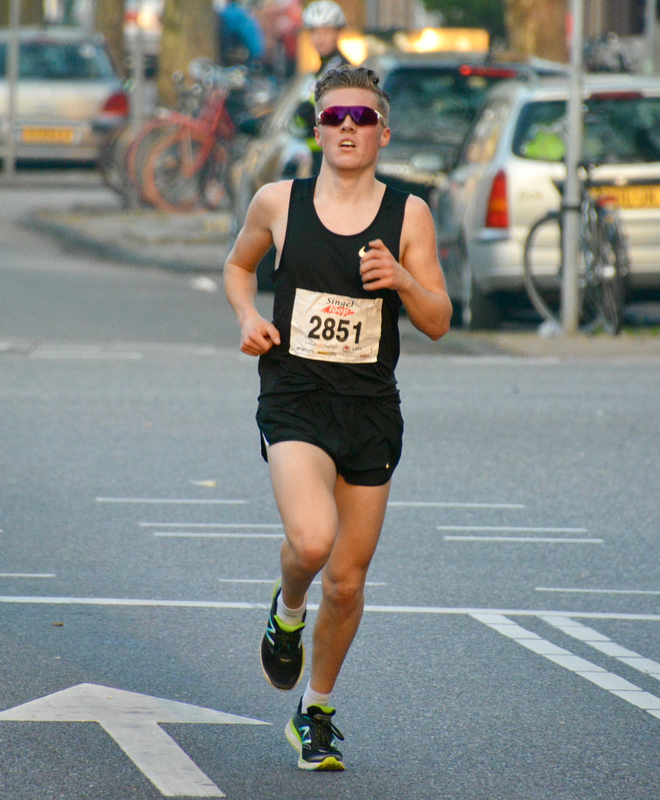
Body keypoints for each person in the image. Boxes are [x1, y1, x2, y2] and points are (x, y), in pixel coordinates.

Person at [224, 64, 451, 770]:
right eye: (333, 117)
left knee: (348, 583)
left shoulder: (408, 215)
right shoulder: (277, 202)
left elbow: (439, 320)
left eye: (361, 117)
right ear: (317, 129)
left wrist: (405, 280)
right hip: (294, 395)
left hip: (370, 408)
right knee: (314, 541)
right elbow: (237, 268)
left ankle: (314, 710)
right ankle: (288, 607)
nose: (347, 127)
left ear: (384, 131)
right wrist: (248, 317)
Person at [294, 0, 351, 170]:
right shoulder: (320, 70)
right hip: (317, 157)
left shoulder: (343, 71)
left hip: (332, 159)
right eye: (315, 32)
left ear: (337, 33)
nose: (320, 38)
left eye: (326, 31)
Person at [218, 0, 266, 67]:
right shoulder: (245, 13)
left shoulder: (230, 13)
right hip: (257, 50)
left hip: (249, 50)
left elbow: (228, 28)